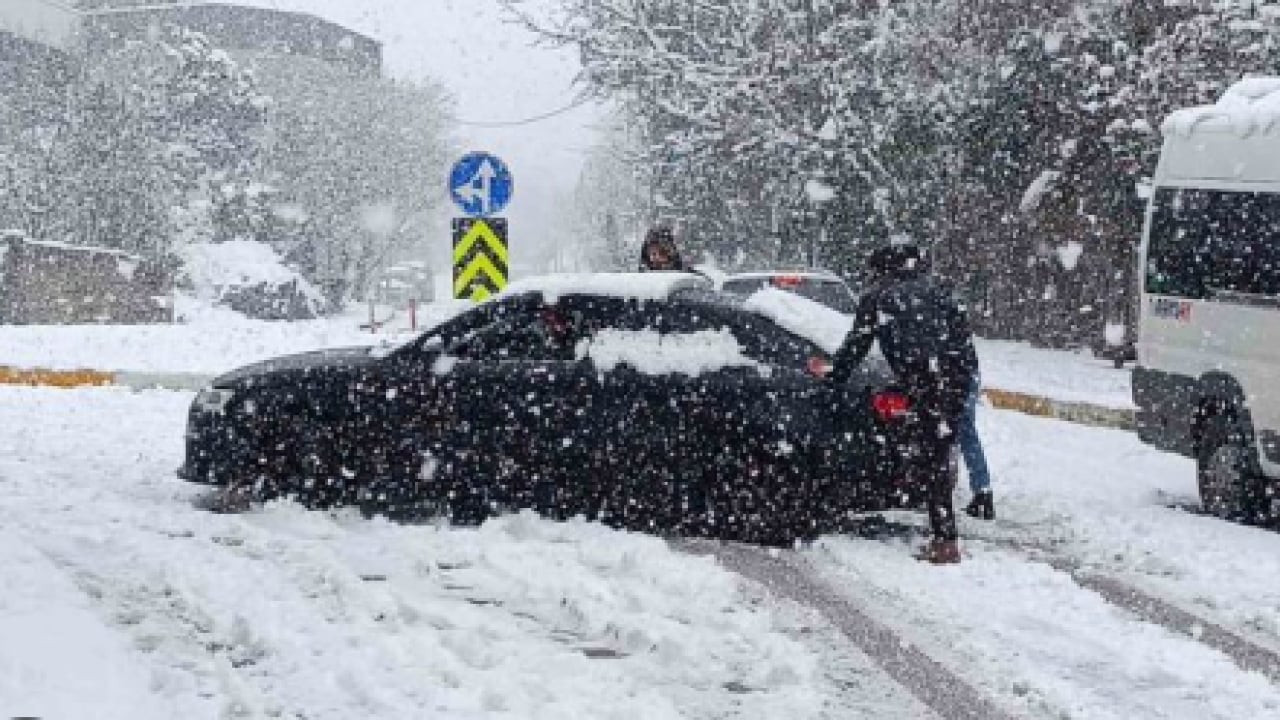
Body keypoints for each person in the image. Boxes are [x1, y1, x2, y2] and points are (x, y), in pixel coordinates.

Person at [826, 243, 979, 564]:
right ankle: (942, 533)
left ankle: (944, 541)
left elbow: (857, 345)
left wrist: (832, 380)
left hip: (922, 382)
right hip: (953, 380)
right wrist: (959, 384)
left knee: (923, 453)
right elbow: (963, 341)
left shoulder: (880, 297)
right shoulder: (941, 291)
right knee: (937, 452)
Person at [959, 373, 995, 520]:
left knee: (961, 431)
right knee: (967, 434)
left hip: (956, 376)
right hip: (967, 373)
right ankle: (982, 490)